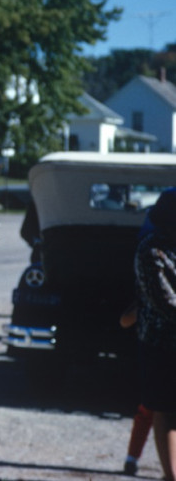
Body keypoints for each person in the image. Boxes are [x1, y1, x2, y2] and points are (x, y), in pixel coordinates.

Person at [133, 187, 176, 481]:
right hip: (162, 344)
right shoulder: (151, 250)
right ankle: (171, 474)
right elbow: (165, 302)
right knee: (164, 409)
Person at [120, 300, 154, 476]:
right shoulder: (151, 292)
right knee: (149, 409)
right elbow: (125, 320)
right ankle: (132, 458)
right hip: (157, 352)